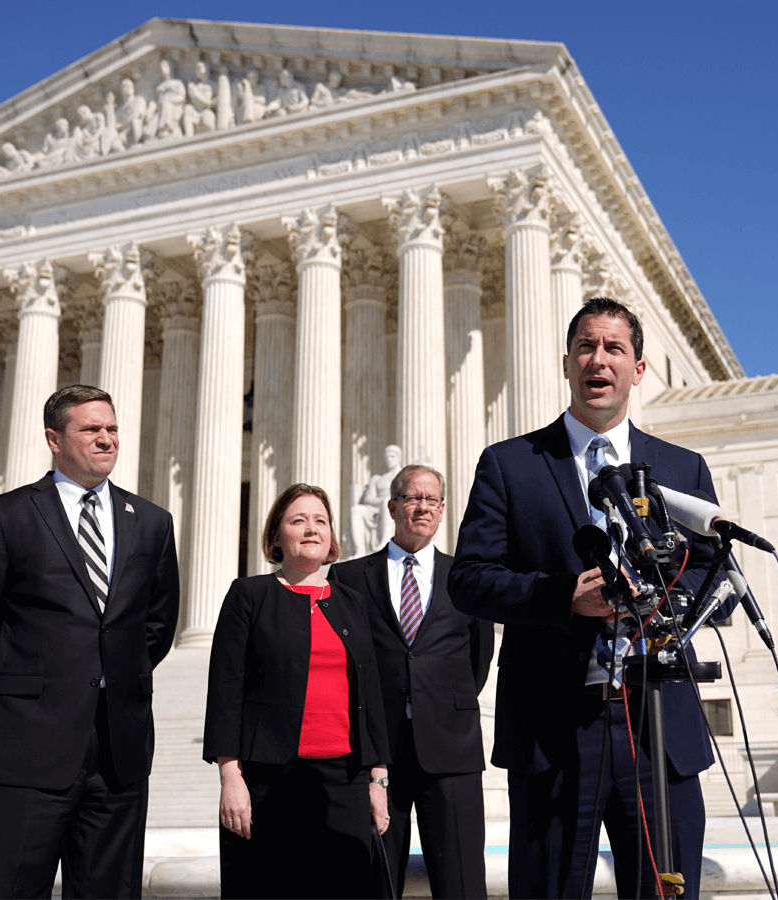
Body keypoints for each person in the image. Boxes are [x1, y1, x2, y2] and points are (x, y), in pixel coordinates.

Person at [449, 297, 728, 900]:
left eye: (614, 348)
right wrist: (561, 597)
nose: (598, 360)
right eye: (586, 347)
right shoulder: (510, 465)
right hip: (554, 728)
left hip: (658, 725)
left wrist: (663, 601)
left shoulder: (683, 468)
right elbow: (469, 579)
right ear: (568, 362)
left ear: (638, 369)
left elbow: (713, 574)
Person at [0, 384, 181, 899]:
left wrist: (121, 678)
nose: (106, 439)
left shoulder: (152, 523)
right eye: (91, 429)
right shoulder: (4, 516)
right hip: (24, 745)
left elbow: (158, 625)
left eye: (112, 429)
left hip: (119, 751)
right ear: (54, 439)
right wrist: (18, 691)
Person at [204, 484, 392, 899]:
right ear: (275, 536)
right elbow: (225, 689)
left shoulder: (351, 601)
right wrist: (231, 778)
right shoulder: (249, 595)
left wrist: (378, 780)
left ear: (331, 540)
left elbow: (370, 693)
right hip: (270, 783)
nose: (312, 528)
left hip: (344, 781)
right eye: (298, 520)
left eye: (320, 521)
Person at [329, 465, 495, 899]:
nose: (423, 507)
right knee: (374, 884)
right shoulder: (348, 579)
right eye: (412, 498)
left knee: (462, 884)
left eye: (432, 500)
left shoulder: (465, 576)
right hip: (377, 755)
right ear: (392, 506)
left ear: (442, 511)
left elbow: (478, 659)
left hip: (452, 751)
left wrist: (437, 702)